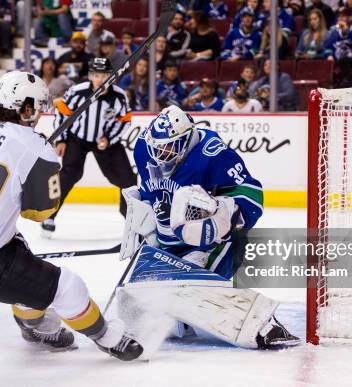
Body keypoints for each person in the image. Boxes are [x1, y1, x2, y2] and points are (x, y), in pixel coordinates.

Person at [0, 70, 143, 361]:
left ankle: (33, 322)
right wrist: (40, 159)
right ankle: (107, 337)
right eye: (36, 106)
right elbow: (39, 212)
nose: (39, 113)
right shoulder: (37, 150)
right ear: (25, 108)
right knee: (68, 287)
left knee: (28, 268)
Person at [121, 104, 299, 349]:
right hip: (166, 246)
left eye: (168, 147)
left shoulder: (213, 155)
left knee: (184, 297)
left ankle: (259, 323)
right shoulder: (144, 148)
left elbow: (253, 197)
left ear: (185, 140)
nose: (160, 154)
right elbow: (151, 190)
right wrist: (143, 218)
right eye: (156, 147)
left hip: (211, 245)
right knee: (135, 310)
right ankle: (183, 309)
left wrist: (224, 213)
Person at [42, 58, 137, 235]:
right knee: (69, 174)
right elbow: (62, 114)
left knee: (128, 180)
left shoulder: (119, 96)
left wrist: (109, 138)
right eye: (96, 75)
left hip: (106, 142)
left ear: (111, 76)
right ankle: (49, 215)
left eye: (104, 75)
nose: (100, 79)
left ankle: (132, 220)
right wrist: (61, 139)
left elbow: (124, 121)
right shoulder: (77, 92)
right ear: (90, 76)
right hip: (77, 138)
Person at [324, 7, 352, 88]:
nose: (341, 18)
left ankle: (347, 82)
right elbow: (327, 48)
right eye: (339, 16)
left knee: (345, 60)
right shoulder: (334, 32)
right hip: (338, 63)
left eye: (343, 16)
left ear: (350, 18)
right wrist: (329, 55)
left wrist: (348, 31)